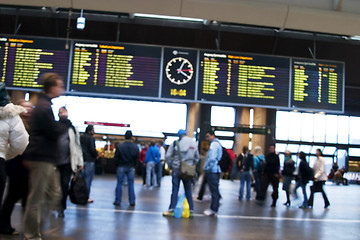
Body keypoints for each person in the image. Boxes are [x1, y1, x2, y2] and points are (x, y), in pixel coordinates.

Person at [22, 73, 67, 240]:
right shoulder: (43, 107)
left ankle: (42, 228)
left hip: (46, 158)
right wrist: (63, 123)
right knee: (37, 198)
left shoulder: (44, 105)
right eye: (60, 85)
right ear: (52, 87)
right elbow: (53, 131)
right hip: (41, 158)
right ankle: (31, 234)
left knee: (54, 194)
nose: (62, 88)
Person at [0, 85, 29, 235]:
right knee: (11, 198)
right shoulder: (12, 116)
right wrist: (6, 155)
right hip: (10, 164)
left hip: (16, 166)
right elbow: (20, 144)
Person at [163, 129, 199, 217]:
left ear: (179, 135)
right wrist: (190, 164)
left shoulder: (175, 143)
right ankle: (190, 210)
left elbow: (168, 156)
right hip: (188, 170)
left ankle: (172, 209)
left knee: (175, 190)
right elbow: (197, 158)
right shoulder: (193, 143)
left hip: (177, 169)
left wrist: (171, 165)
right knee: (188, 190)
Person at [57, 107, 84, 217]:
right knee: (54, 186)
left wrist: (80, 161)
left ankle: (61, 208)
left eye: (64, 112)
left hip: (68, 162)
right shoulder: (55, 126)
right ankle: (53, 205)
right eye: (61, 112)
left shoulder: (72, 128)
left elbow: (77, 146)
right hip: (55, 162)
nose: (63, 114)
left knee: (64, 186)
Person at [113, 130, 139, 207]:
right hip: (131, 167)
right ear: (131, 137)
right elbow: (137, 158)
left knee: (119, 183)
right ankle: (132, 201)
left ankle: (117, 201)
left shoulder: (120, 146)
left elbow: (116, 157)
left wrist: (117, 164)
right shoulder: (135, 147)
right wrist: (134, 165)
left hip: (121, 166)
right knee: (131, 184)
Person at [203, 130, 222, 216]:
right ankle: (214, 208)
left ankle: (213, 209)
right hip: (215, 170)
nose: (207, 138)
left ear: (212, 135)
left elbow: (212, 158)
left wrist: (207, 168)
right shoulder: (218, 144)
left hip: (212, 170)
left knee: (214, 191)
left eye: (208, 136)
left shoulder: (214, 145)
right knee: (215, 191)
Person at [80, 125, 98, 203]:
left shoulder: (80, 137)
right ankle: (86, 197)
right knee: (88, 179)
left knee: (81, 179)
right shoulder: (91, 138)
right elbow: (92, 149)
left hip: (81, 160)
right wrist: (96, 155)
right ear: (90, 130)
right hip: (89, 160)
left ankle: (79, 195)